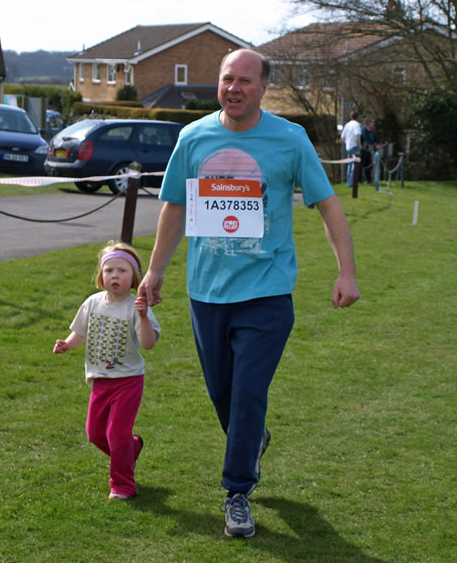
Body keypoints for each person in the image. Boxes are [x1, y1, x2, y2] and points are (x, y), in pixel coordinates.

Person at [138, 48, 360, 538]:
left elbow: (328, 206)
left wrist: (346, 272)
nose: (233, 88)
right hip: (207, 292)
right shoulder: (194, 138)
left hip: (267, 292)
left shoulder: (290, 139)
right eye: (226, 79)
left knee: (247, 393)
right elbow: (174, 207)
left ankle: (237, 492)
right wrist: (155, 270)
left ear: (263, 88)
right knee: (223, 393)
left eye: (244, 80)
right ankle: (252, 438)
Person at [53, 241, 160, 500]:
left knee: (116, 434)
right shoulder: (92, 303)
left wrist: (143, 317)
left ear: (134, 277)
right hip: (100, 381)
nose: (115, 275)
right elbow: (80, 331)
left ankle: (123, 485)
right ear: (101, 275)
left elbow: (148, 343)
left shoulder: (136, 307)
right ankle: (132, 448)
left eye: (122, 271)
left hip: (128, 381)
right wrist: (67, 344)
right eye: (109, 270)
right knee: (95, 434)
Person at [340, 110, 362, 187]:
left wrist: (346, 143)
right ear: (357, 117)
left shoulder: (347, 125)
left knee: (350, 164)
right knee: (355, 164)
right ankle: (352, 182)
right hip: (355, 147)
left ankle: (349, 182)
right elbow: (357, 135)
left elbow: (342, 137)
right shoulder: (357, 124)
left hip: (348, 147)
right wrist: (359, 145)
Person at [361, 117, 382, 184]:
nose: (373, 124)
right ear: (368, 123)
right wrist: (375, 145)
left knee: (369, 165)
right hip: (363, 151)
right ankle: (359, 180)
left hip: (368, 151)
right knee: (361, 165)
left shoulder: (371, 131)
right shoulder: (363, 130)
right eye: (372, 122)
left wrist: (378, 144)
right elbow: (367, 139)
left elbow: (375, 139)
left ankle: (369, 180)